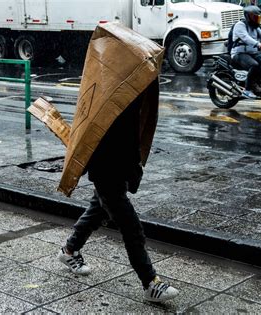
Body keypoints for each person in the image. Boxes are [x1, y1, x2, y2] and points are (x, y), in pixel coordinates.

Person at [58, 82, 179, 303]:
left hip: (120, 165)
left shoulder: (132, 82)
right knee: (131, 227)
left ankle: (69, 250)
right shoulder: (110, 80)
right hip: (106, 167)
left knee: (98, 210)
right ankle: (150, 283)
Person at [231, 5, 261, 98]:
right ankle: (247, 90)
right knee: (254, 65)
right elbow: (246, 38)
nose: (257, 20)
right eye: (255, 17)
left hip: (252, 53)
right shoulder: (240, 25)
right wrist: (259, 44)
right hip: (239, 54)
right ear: (248, 16)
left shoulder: (255, 27)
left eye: (258, 18)